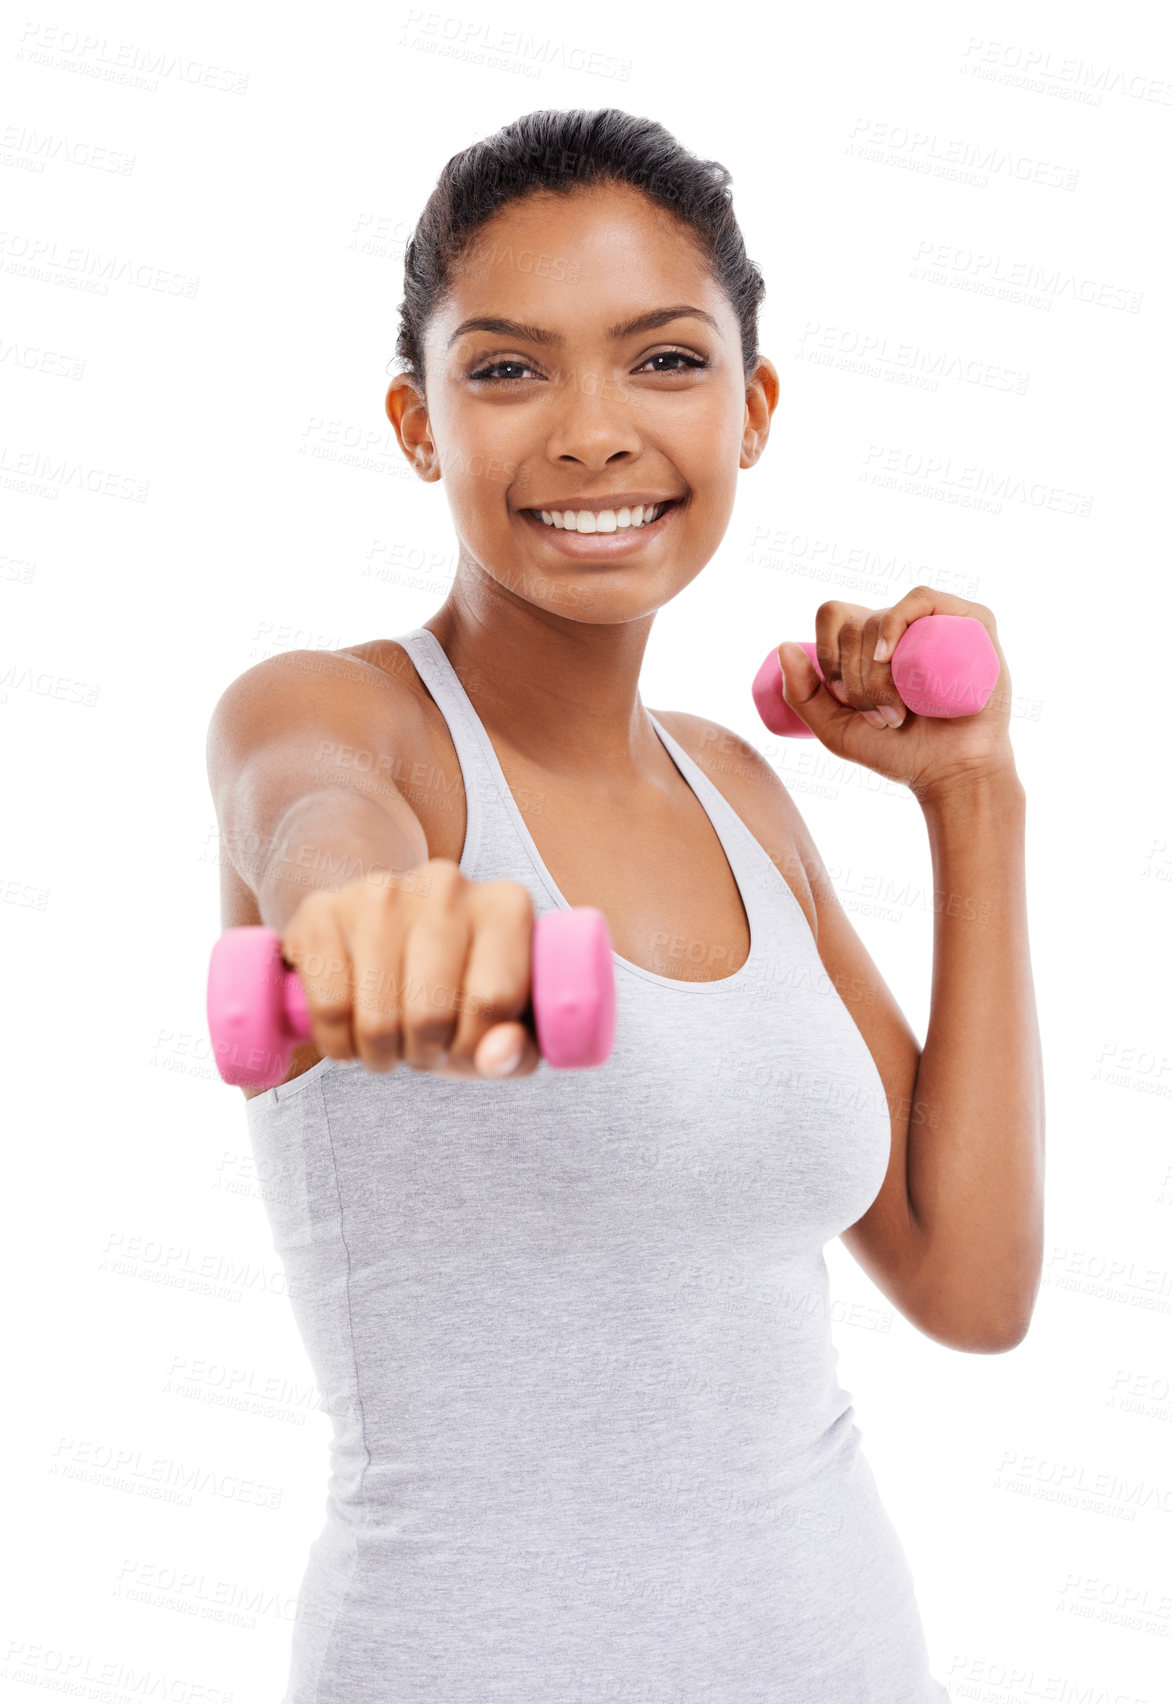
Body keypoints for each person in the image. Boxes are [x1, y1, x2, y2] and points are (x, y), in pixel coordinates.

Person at [206, 106, 1043, 1703]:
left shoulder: (743, 789)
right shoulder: (331, 715)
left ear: (753, 407)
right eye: (508, 369)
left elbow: (972, 1286)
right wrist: (377, 923)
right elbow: (314, 821)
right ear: (415, 420)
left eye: (663, 360)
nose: (591, 431)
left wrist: (973, 797)